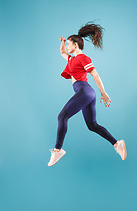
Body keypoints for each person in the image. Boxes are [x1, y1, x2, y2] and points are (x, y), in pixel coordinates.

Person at [48, 21, 127, 167]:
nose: (67, 47)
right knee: (92, 125)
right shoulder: (71, 59)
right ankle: (117, 144)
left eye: (68, 44)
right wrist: (62, 42)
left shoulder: (83, 58)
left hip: (85, 91)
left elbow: (95, 74)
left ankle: (58, 150)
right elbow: (62, 53)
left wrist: (103, 92)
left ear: (75, 45)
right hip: (86, 93)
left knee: (62, 116)